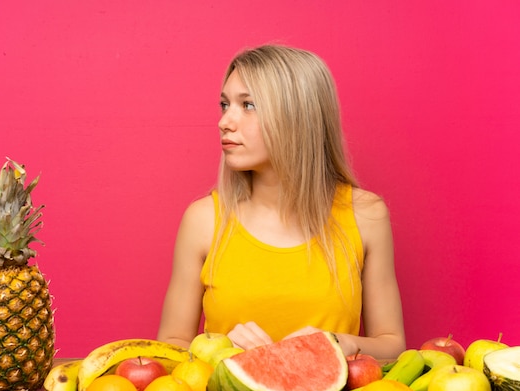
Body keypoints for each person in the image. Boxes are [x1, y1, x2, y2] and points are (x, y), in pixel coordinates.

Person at [157, 44, 405, 359]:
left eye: (248, 105)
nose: (225, 121)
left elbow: (392, 343)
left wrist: (343, 344)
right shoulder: (203, 219)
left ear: (296, 115)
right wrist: (220, 354)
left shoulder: (366, 215)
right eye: (225, 104)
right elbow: (170, 344)